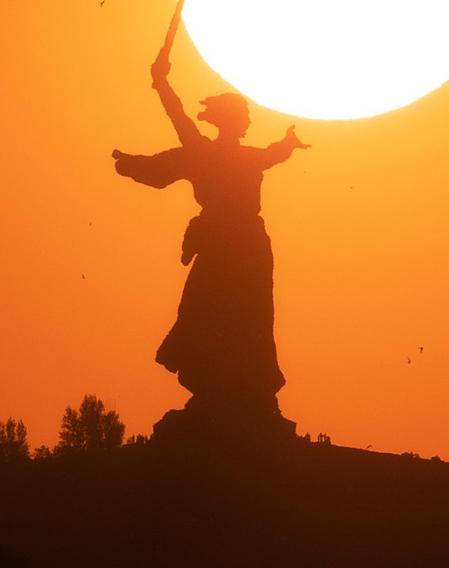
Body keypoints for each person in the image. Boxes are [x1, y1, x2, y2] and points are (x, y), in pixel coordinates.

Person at [112, 48, 307, 426]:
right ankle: (217, 393)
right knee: (208, 315)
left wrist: (287, 144)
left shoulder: (236, 156)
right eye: (243, 116)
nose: (247, 122)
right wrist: (161, 82)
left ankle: (250, 393)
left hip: (247, 250)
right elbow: (178, 117)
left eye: (246, 117)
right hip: (228, 247)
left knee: (248, 320)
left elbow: (272, 154)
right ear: (228, 120)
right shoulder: (204, 153)